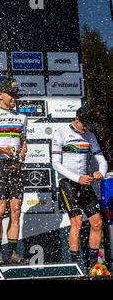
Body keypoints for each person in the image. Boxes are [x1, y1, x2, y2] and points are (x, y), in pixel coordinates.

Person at [51, 105, 108, 272]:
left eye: (89, 125)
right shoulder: (61, 133)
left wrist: (100, 173)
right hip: (67, 182)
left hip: (86, 182)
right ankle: (76, 267)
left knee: (97, 223)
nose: (87, 128)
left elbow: (102, 161)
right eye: (85, 125)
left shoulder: (90, 136)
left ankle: (92, 266)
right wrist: (77, 178)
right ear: (77, 120)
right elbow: (55, 164)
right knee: (76, 222)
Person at [0, 77, 28, 265]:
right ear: (0, 94)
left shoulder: (22, 117)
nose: (14, 98)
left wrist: (22, 154)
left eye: (16, 95)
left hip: (15, 166)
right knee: (0, 209)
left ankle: (13, 253)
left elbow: (24, 142)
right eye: (11, 94)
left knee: (16, 209)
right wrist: (3, 150)